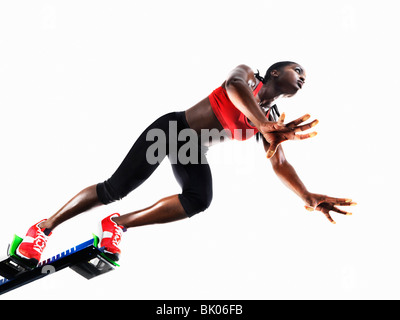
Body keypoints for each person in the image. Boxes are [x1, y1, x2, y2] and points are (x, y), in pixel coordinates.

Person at [15, 62, 356, 264]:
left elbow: (278, 162)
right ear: (275, 71)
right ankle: (42, 229)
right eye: (297, 70)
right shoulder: (249, 75)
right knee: (114, 188)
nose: (303, 76)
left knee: (198, 199)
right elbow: (232, 85)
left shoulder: (271, 117)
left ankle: (117, 225)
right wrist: (262, 125)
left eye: (305, 76)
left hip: (190, 149)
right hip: (172, 130)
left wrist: (307, 196)